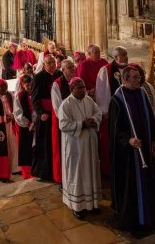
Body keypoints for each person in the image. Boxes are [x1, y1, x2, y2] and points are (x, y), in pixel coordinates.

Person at [108, 67, 155, 237]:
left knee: (148, 183)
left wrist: (153, 140)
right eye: (135, 78)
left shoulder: (142, 93)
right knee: (133, 187)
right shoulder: (117, 100)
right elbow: (114, 130)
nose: (138, 80)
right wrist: (129, 140)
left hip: (146, 149)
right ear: (125, 79)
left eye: (139, 77)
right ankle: (135, 221)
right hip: (130, 155)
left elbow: (151, 120)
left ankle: (150, 219)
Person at [58, 77, 102, 220]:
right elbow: (63, 125)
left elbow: (98, 113)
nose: (84, 90)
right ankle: (78, 206)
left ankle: (93, 203)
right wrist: (82, 124)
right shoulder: (66, 104)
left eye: (84, 87)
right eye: (80, 88)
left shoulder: (88, 100)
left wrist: (94, 120)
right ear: (72, 89)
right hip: (75, 147)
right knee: (77, 174)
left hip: (89, 145)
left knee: (92, 171)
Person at [95, 46, 136, 176]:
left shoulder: (131, 69)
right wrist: (105, 111)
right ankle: (112, 169)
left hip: (130, 111)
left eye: (126, 54)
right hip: (114, 112)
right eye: (123, 55)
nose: (126, 57)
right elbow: (102, 91)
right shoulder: (105, 70)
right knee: (114, 139)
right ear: (116, 57)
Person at [31, 55, 63, 180]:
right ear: (44, 65)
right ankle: (44, 172)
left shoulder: (60, 74)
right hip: (45, 116)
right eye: (49, 63)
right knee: (45, 144)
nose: (52, 65)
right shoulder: (38, 77)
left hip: (59, 114)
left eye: (53, 63)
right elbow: (35, 99)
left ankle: (59, 170)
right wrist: (40, 113)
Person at [50, 59, 76, 185]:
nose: (73, 69)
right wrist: (69, 120)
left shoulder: (77, 81)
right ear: (63, 70)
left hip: (77, 122)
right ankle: (63, 179)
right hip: (63, 122)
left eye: (73, 66)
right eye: (69, 67)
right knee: (62, 151)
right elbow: (57, 106)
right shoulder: (57, 84)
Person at [14, 75, 36, 179]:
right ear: (23, 85)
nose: (29, 87)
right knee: (26, 149)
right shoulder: (19, 96)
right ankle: (27, 173)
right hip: (26, 127)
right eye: (27, 85)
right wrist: (30, 124)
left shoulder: (36, 93)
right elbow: (18, 113)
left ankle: (37, 169)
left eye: (31, 84)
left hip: (37, 125)